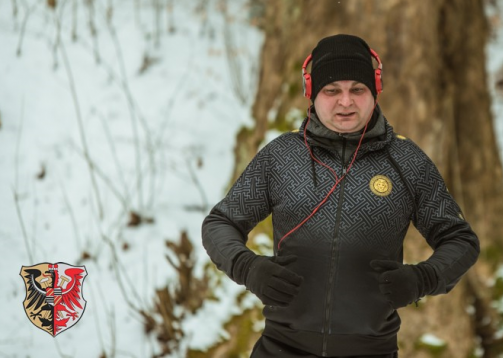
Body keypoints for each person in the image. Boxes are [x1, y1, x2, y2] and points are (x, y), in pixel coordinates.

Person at [202, 34, 480, 358]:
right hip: (280, 348)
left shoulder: (407, 161)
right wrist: (247, 267)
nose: (345, 102)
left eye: (357, 90)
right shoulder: (281, 156)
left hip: (372, 350)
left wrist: (423, 277)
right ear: (311, 93)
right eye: (331, 90)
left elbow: (461, 240)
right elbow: (220, 223)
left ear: (374, 90)